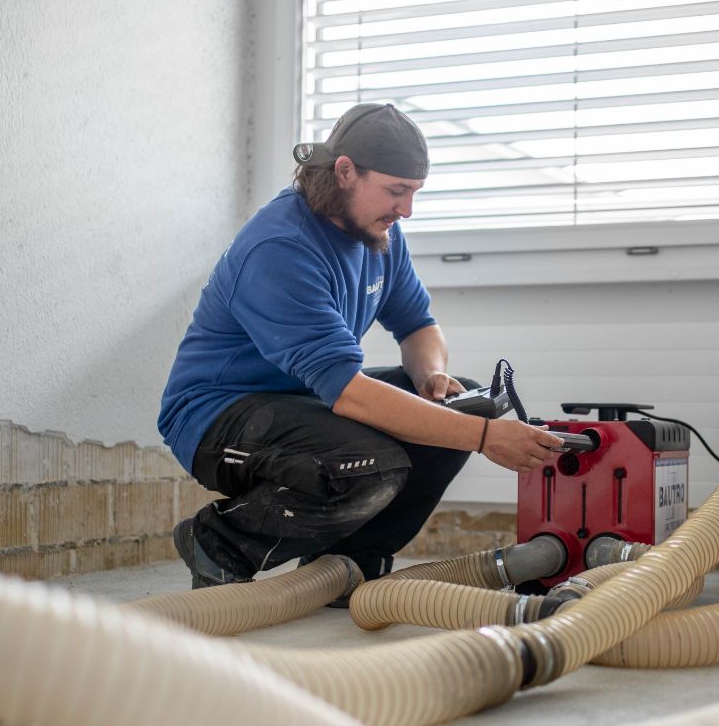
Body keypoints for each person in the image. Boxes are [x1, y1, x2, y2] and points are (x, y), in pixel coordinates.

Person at [158, 103, 562, 592]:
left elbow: (418, 327)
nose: (406, 210)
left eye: (413, 194)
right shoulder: (280, 248)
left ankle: (350, 562)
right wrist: (482, 437)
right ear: (345, 171)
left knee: (461, 401)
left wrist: (429, 375)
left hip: (305, 403)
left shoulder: (377, 233)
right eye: (396, 191)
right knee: (380, 462)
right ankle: (221, 540)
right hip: (216, 419)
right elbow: (350, 393)